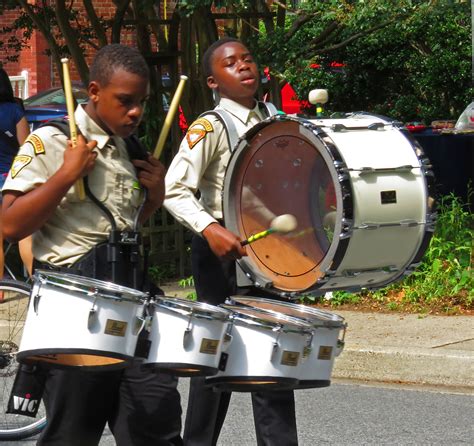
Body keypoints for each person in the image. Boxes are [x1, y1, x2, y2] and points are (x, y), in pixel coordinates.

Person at [2, 44, 182, 446]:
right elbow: (10, 224)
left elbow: (121, 227)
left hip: (134, 307)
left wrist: (152, 200)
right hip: (74, 313)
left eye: (141, 102)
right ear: (95, 92)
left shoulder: (131, 150)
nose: (135, 112)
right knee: (72, 435)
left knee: (157, 426)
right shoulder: (52, 141)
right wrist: (66, 175)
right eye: (125, 101)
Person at [164, 37, 299, 446]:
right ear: (213, 82)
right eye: (230, 63)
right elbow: (174, 188)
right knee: (214, 361)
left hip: (272, 250)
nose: (243, 66)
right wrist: (210, 229)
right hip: (221, 250)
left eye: (248, 59)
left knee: (272, 358)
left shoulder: (273, 119)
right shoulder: (212, 125)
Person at [0, 67, 33, 278]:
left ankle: (1, 288)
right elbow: (26, 149)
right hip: (12, 182)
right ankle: (33, 278)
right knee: (25, 233)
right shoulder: (15, 111)